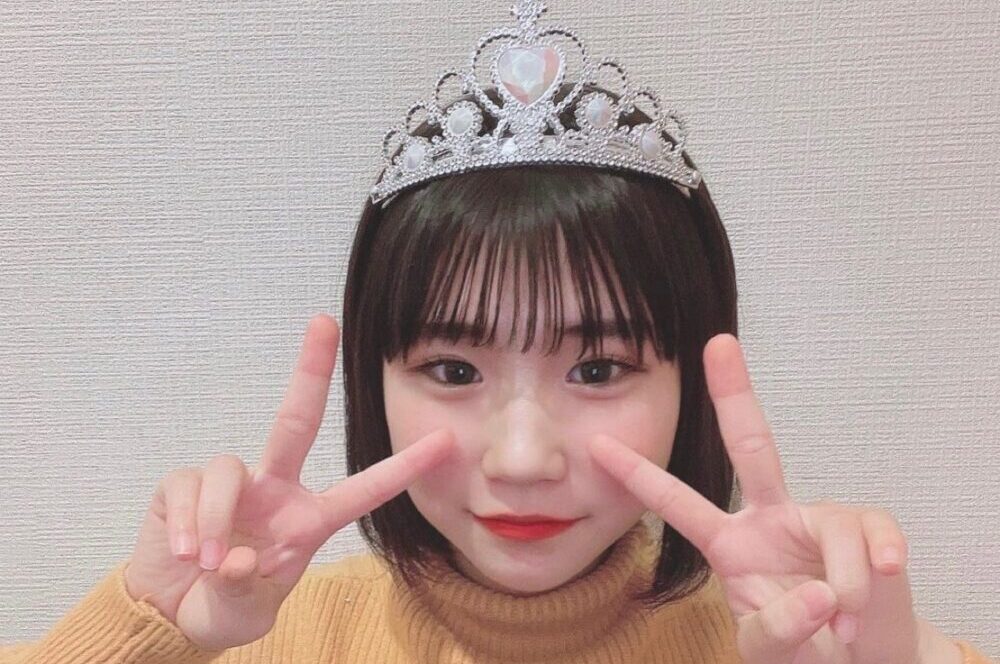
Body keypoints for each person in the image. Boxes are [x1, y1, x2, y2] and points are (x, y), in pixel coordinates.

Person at [1, 2, 993, 663]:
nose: (522, 459)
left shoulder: (792, 644)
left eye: (598, 367)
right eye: (452, 367)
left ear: (688, 385)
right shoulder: (259, 634)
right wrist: (149, 625)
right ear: (374, 381)